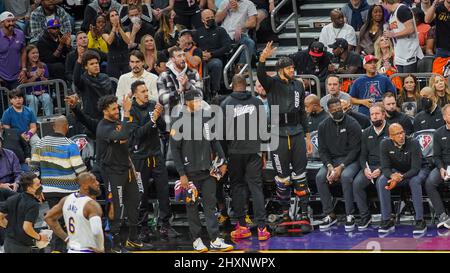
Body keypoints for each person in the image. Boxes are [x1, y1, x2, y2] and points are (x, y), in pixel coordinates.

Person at [257, 41, 313, 231]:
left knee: (301, 174)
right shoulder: (271, 83)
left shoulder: (298, 85)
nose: (292, 70)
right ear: (281, 70)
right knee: (282, 177)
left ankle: (304, 213)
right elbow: (260, 74)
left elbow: (303, 113)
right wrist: (263, 58)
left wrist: (307, 137)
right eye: (289, 68)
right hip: (277, 135)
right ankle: (284, 214)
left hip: (297, 132)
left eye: (293, 67)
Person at [170, 89, 233, 252]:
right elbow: (175, 150)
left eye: (200, 100)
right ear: (187, 102)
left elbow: (214, 140)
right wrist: (182, 174)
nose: (199, 103)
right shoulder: (178, 121)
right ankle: (196, 239)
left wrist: (223, 159)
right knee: (191, 206)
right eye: (196, 101)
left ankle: (214, 239)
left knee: (210, 206)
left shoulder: (206, 117)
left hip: (208, 170)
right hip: (189, 172)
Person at [96, 95, 151, 252]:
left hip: (127, 169)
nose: (117, 111)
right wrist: (126, 112)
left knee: (134, 203)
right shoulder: (103, 127)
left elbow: (127, 138)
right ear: (104, 110)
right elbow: (123, 136)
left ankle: (133, 239)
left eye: (118, 108)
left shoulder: (117, 123)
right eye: (113, 109)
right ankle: (115, 244)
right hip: (112, 172)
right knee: (117, 208)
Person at [220, 74, 271, 241]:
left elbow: (221, 134)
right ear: (246, 85)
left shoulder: (226, 104)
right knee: (256, 187)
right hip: (254, 151)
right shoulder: (257, 102)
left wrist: (223, 158)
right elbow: (264, 129)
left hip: (235, 152)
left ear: (232, 86)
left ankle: (242, 226)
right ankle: (262, 228)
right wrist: (264, 153)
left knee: (237, 187)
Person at [128, 80, 180, 240]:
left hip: (156, 155)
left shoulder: (152, 105)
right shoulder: (130, 110)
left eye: (146, 90)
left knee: (164, 191)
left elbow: (163, 126)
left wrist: (159, 116)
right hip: (140, 157)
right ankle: (143, 227)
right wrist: (152, 120)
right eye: (142, 91)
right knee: (141, 194)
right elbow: (136, 134)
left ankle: (165, 225)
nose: (146, 93)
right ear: (135, 94)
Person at [316, 97, 362, 231]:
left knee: (346, 177)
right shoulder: (323, 126)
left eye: (339, 109)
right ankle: (330, 214)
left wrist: (341, 167)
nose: (338, 111)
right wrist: (330, 166)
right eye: (334, 110)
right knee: (320, 177)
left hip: (351, 160)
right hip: (332, 161)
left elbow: (356, 150)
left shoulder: (352, 123)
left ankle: (350, 214)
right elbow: (322, 151)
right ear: (329, 111)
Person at [378, 123, 428, 235]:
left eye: (402, 132)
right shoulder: (384, 144)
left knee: (414, 181)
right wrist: (392, 176)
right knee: (382, 181)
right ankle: (386, 220)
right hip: (399, 172)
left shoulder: (413, 142)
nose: (401, 136)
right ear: (391, 136)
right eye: (397, 134)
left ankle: (420, 220)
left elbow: (415, 168)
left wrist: (399, 177)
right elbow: (385, 168)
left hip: (419, 169)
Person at [44, 172, 105, 253]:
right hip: (88, 250)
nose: (97, 183)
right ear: (85, 186)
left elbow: (48, 218)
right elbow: (96, 230)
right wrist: (101, 248)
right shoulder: (92, 205)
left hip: (72, 250)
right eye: (93, 181)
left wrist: (66, 238)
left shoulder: (66, 199)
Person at [353, 104, 388, 231]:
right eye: (372, 114)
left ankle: (386, 218)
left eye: (377, 114)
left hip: (387, 167)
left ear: (383, 115)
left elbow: (394, 155)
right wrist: (365, 169)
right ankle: (365, 216)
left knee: (381, 182)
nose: (374, 116)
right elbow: (362, 156)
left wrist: (381, 169)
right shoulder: (366, 132)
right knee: (357, 183)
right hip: (370, 167)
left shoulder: (391, 130)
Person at [0, 173, 49, 253]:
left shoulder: (13, 198)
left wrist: (8, 226)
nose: (40, 186)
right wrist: (39, 237)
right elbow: (27, 227)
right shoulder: (33, 204)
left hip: (8, 243)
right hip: (22, 247)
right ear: (29, 188)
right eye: (38, 185)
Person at [157, 46, 202, 131]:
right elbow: (162, 99)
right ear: (172, 59)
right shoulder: (164, 76)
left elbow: (200, 95)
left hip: (192, 119)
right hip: (171, 121)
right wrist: (178, 92)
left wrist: (187, 86)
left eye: (183, 55)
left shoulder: (194, 73)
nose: (183, 58)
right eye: (179, 56)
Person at [194, 9, 232, 95]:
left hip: (216, 58)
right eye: (207, 18)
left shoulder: (220, 30)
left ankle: (215, 91)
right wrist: (201, 54)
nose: (210, 19)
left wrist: (211, 54)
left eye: (212, 17)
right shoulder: (198, 32)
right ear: (202, 20)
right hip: (200, 60)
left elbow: (227, 47)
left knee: (216, 63)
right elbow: (193, 47)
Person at [426, 103, 450, 229]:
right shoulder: (438, 133)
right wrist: (441, 168)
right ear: (444, 117)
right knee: (430, 182)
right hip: (444, 165)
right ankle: (442, 215)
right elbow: (436, 156)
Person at [382, 0, 424, 73]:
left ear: (385, 2)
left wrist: (393, 34)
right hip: (400, 53)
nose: (383, 7)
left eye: (381, 3)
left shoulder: (402, 9)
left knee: (408, 80)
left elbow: (411, 29)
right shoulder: (392, 15)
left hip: (410, 52)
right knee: (402, 82)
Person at [74, 49, 114, 120]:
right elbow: (76, 80)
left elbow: (111, 96)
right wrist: (79, 60)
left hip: (107, 115)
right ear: (86, 67)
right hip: (91, 117)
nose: (95, 65)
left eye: (96, 63)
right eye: (92, 64)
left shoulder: (105, 77)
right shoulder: (84, 79)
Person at [215, 0, 257, 64]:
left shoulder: (249, 3)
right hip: (223, 34)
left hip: (239, 34)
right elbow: (216, 19)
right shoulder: (224, 2)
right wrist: (227, 8)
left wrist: (241, 26)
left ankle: (241, 68)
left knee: (249, 42)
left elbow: (253, 22)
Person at [23, 45, 53, 117]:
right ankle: (33, 122)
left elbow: (47, 82)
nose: (36, 55)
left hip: (42, 91)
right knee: (34, 100)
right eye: (33, 53)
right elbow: (24, 83)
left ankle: (50, 119)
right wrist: (36, 75)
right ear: (27, 55)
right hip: (29, 93)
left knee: (47, 98)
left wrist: (42, 77)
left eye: (37, 53)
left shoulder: (43, 65)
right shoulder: (24, 68)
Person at [0, 12, 26, 90]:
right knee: (3, 102)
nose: (11, 23)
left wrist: (24, 69)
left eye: (13, 21)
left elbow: (23, 51)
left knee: (19, 101)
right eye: (8, 21)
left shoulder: (20, 34)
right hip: (1, 77)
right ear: (1, 23)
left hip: (17, 76)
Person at [102, 9, 131, 79]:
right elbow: (109, 41)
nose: (115, 17)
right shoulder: (105, 30)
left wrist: (120, 29)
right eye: (112, 16)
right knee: (114, 81)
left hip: (125, 59)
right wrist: (114, 27)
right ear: (109, 19)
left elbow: (128, 41)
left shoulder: (126, 28)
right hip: (113, 60)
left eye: (116, 15)